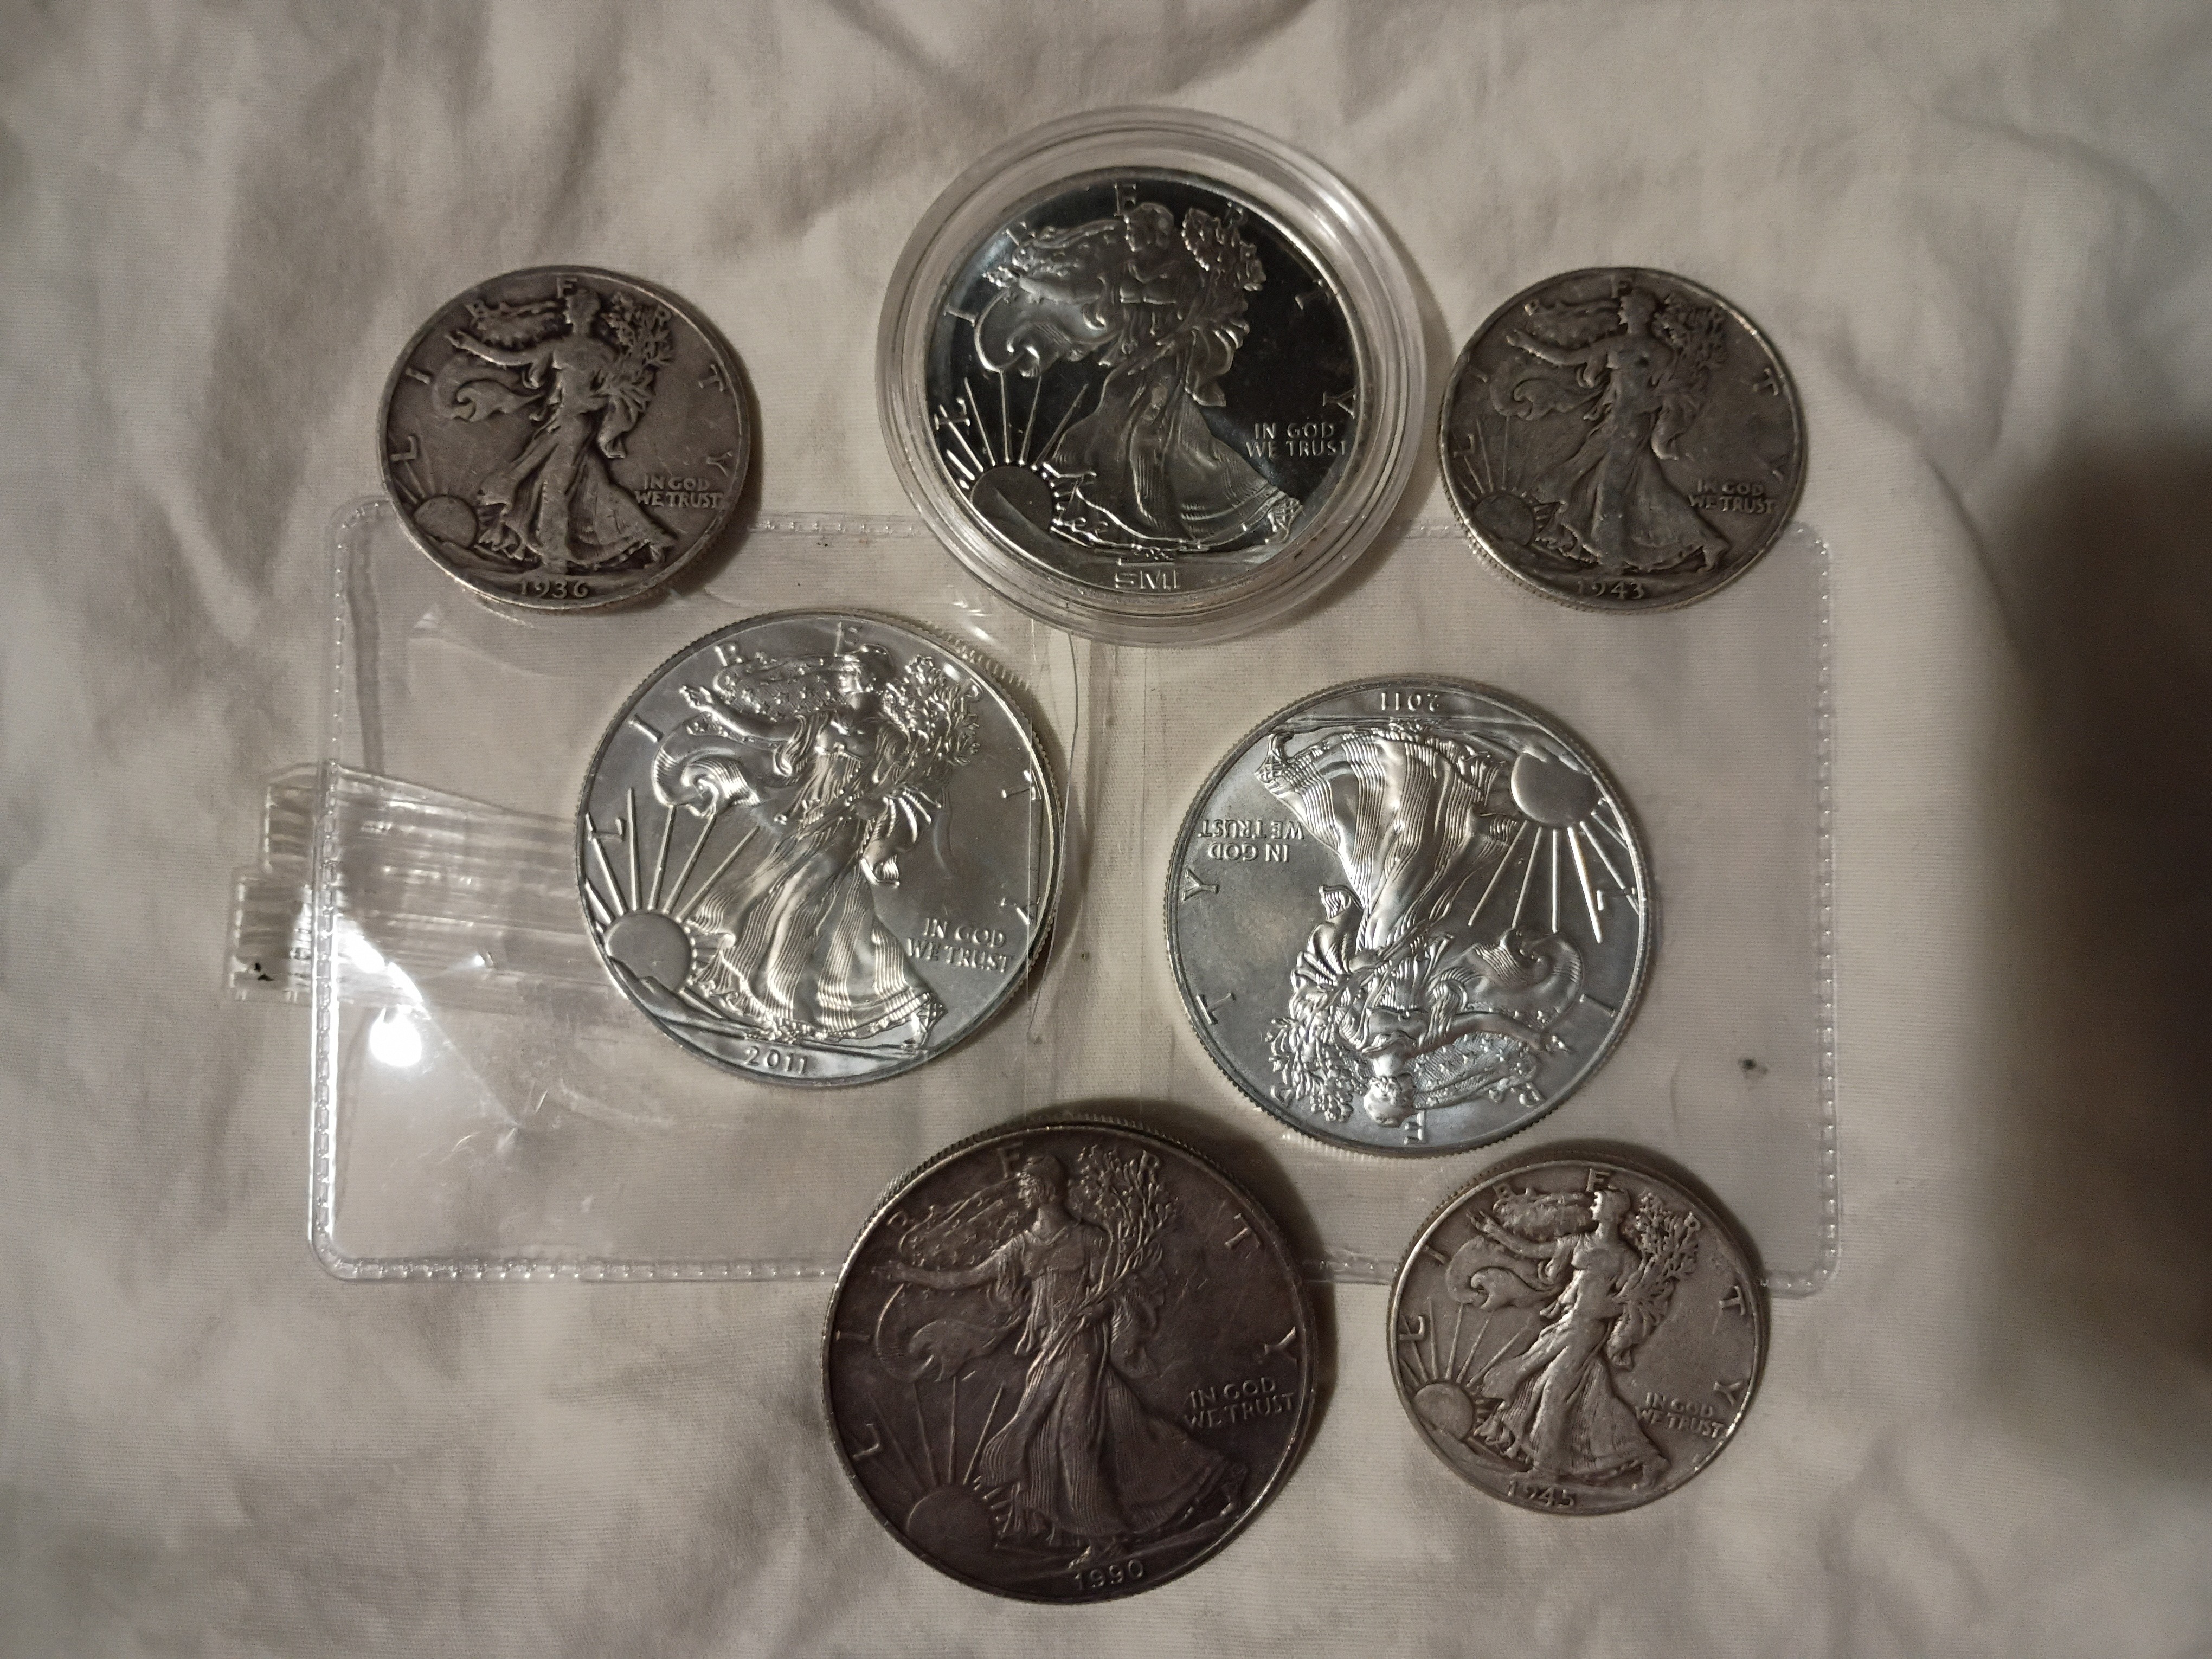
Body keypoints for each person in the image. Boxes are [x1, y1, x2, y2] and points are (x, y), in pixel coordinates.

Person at [886, 1156, 1237, 1559]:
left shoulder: (1089, 1240)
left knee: (1073, 1439)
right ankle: (1217, 1475)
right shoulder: (1021, 1246)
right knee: (1124, 1428)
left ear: (1047, 1189)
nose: (1021, 1190)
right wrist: (910, 1274)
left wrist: (1094, 1311)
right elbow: (966, 1278)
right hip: (1050, 1348)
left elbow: (1119, 1293)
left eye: (1027, 1184)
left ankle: (1104, 1538)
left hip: (1083, 1346)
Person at [659, 647, 942, 1044]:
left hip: (843, 832)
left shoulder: (888, 737)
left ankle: (788, 1010)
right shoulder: (824, 721)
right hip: (807, 826)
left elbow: (903, 791)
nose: (843, 678)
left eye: (851, 672)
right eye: (845, 671)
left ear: (870, 680)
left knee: (794, 909)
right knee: (776, 906)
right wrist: (715, 708)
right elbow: (765, 732)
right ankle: (911, 999)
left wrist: (871, 806)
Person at [443, 283, 676, 573]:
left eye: (569, 308)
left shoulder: (564, 348)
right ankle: (655, 535)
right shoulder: (605, 353)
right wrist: (471, 345)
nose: (566, 313)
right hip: (573, 424)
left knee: (553, 492)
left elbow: (513, 359)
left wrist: (472, 345)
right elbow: (615, 393)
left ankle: (555, 563)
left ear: (577, 313)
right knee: (597, 488)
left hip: (570, 426)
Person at [1500, 287, 1724, 574]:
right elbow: (1568, 359)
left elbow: (1661, 392)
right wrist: (1528, 344)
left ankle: (1610, 561)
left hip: (1630, 426)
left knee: (1610, 490)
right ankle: (1708, 540)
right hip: (1617, 423)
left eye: (1626, 308)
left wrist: (1528, 343)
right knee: (1645, 487)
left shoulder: (1652, 352)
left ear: (1640, 313)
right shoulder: (1628, 347)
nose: (1621, 312)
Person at [1469, 1186, 1667, 1484]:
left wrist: (1603, 1310)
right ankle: (1649, 1457)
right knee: (1580, 1396)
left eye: (1599, 1202)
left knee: (1553, 1391)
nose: (1593, 1206)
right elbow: (1532, 1251)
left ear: (1613, 1212)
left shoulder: (1626, 1259)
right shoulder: (1580, 1242)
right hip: (1565, 1325)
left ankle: (1546, 1468)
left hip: (1587, 1332)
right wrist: (1494, 1232)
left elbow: (1630, 1303)